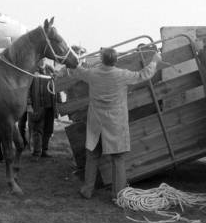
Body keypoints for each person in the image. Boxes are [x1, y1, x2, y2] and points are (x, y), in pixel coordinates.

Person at [69, 47, 162, 200]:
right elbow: (144, 74)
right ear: (116, 60)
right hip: (115, 123)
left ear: (101, 59)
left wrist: (71, 60)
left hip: (96, 123)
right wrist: (154, 61)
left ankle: (87, 190)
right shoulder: (122, 75)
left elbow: (76, 70)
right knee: (117, 158)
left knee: (92, 156)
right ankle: (118, 194)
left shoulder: (92, 74)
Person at [27, 58, 57, 159]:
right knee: (37, 130)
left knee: (48, 130)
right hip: (37, 105)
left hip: (50, 105)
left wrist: (59, 102)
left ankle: (44, 151)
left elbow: (57, 85)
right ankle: (36, 152)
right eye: (41, 57)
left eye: (45, 58)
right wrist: (29, 105)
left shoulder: (51, 70)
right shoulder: (31, 70)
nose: (43, 59)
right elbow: (27, 89)